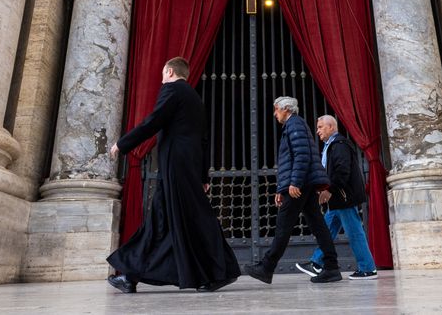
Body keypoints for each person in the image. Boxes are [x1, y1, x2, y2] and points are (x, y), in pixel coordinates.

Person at [106, 57, 240, 293]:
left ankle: (222, 270)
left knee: (189, 217)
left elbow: (153, 121)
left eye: (162, 74)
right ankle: (131, 276)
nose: (161, 79)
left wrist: (123, 143)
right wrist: (203, 176)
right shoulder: (194, 98)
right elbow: (203, 140)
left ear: (169, 71)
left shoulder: (172, 89)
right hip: (186, 167)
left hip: (175, 166)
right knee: (164, 219)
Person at [244, 96, 341, 284]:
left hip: (300, 185)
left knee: (283, 225)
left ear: (285, 109)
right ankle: (332, 267)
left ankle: (267, 267)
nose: (275, 114)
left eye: (276, 110)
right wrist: (282, 188)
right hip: (303, 183)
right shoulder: (293, 125)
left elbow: (301, 155)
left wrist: (294, 183)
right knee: (318, 225)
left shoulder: (294, 124)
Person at [295, 115, 378, 280]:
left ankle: (368, 268)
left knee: (354, 232)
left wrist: (329, 190)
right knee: (326, 230)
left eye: (320, 127)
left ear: (331, 127)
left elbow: (342, 171)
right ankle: (317, 263)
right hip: (338, 198)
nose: (317, 131)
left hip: (343, 197)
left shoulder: (338, 145)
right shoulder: (330, 146)